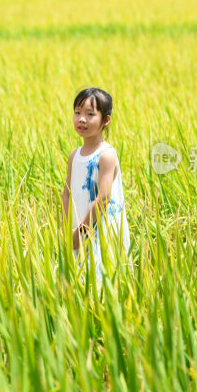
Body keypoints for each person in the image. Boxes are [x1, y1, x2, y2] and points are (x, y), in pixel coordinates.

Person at [61, 87, 130, 278]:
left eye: (90, 114)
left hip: (100, 230)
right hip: (77, 229)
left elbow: (104, 198)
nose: (81, 119)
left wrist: (80, 233)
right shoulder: (74, 156)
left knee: (102, 280)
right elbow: (66, 193)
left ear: (105, 120)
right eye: (77, 113)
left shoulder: (106, 155)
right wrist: (67, 229)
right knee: (78, 279)